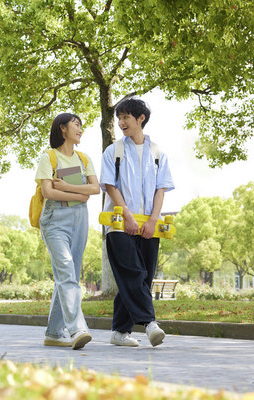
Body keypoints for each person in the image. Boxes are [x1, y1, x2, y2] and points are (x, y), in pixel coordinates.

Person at [100, 97, 174, 347]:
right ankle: (150, 323)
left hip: (149, 226)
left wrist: (154, 220)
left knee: (141, 278)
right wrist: (128, 216)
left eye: (126, 117)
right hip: (120, 224)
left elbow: (160, 190)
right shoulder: (114, 151)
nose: (121, 122)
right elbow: (110, 186)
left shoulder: (158, 153)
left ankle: (120, 332)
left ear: (140, 118)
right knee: (133, 271)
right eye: (119, 118)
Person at [35, 113, 100, 350]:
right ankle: (77, 329)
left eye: (81, 126)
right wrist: (79, 194)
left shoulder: (84, 159)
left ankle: (53, 332)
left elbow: (94, 189)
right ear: (63, 129)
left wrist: (69, 187)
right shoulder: (49, 158)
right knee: (66, 271)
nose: (80, 129)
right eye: (76, 125)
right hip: (55, 221)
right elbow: (48, 192)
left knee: (68, 274)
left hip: (80, 220)